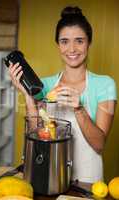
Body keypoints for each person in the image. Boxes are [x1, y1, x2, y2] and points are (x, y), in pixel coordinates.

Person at [8, 6, 117, 183]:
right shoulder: (44, 86)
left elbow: (99, 145)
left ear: (89, 42)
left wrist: (79, 108)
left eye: (79, 41)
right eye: (65, 41)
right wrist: (28, 96)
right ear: (58, 45)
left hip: (87, 182)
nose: (72, 49)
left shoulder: (105, 84)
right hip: (50, 177)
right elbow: (35, 137)